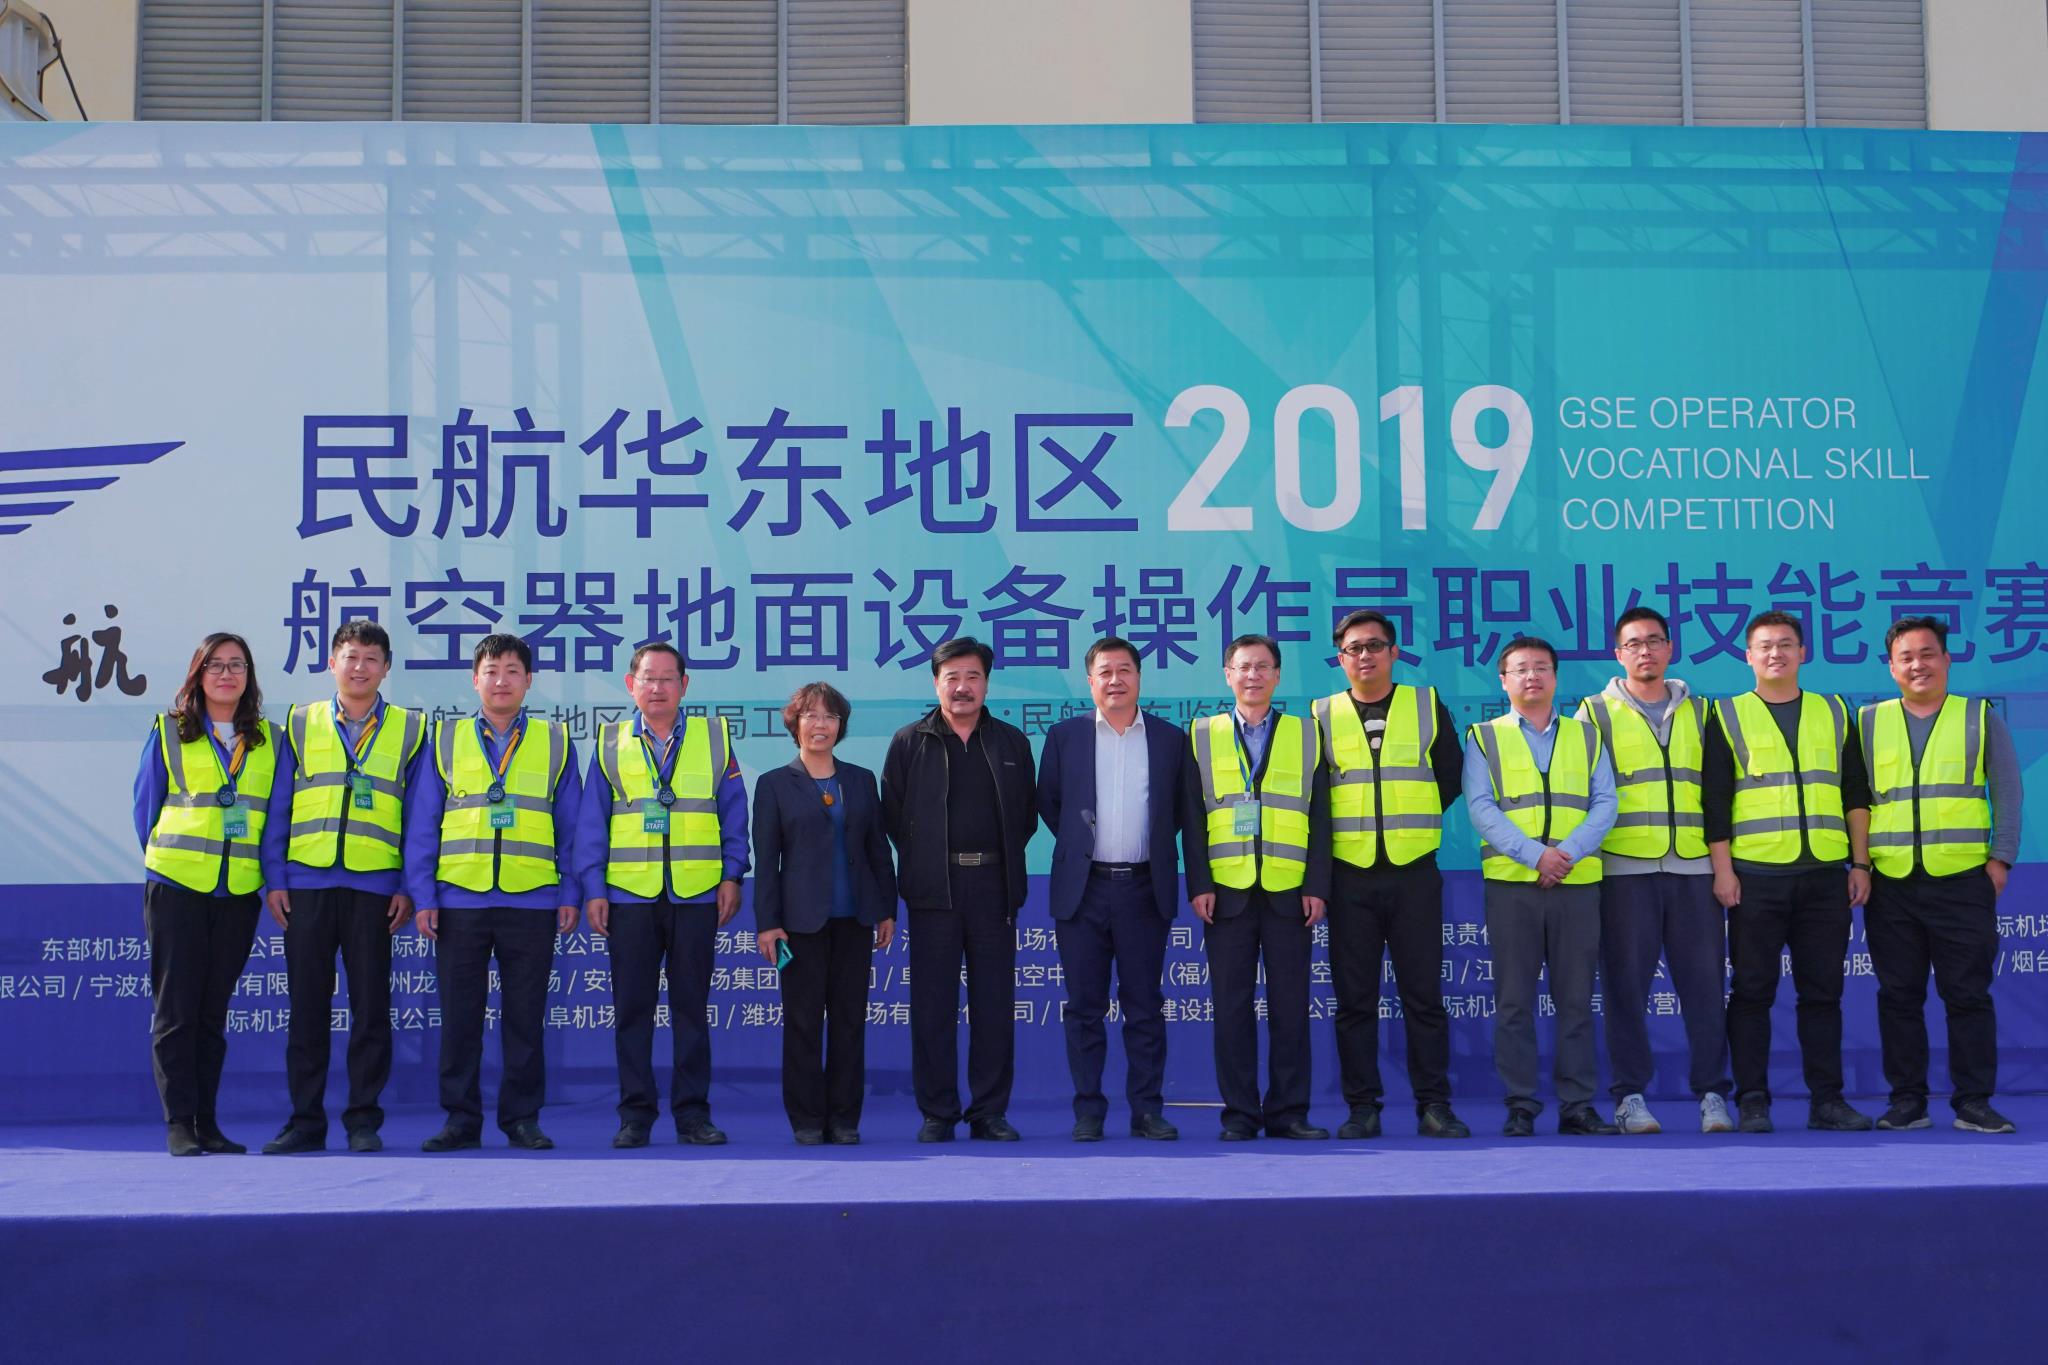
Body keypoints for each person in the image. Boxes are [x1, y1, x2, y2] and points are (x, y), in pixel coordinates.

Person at [404, 634, 580, 1152]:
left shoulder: (555, 740)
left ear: (529, 680)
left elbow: (572, 826)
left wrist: (570, 891)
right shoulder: (445, 738)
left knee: (525, 1019)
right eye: (491, 670)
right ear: (474, 679)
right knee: (460, 1018)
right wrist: (424, 895)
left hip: (532, 899)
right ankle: (460, 1119)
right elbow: (422, 824)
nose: (501, 680)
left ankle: (521, 1118)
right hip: (460, 900)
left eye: (512, 670)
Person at [257, 620, 427, 1154]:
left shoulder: (411, 729)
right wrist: (276, 877)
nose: (360, 667)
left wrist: (407, 885)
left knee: (371, 1009)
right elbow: (278, 806)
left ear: (386, 668)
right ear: (332, 663)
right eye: (350, 657)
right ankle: (305, 1121)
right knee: (307, 1008)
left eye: (371, 659)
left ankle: (363, 1121)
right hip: (306, 885)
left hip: (376, 890)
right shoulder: (300, 723)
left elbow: (419, 817)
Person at [1705, 610, 1874, 1134]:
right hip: (1755, 877)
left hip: (1824, 875)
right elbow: (1715, 802)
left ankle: (1827, 1101)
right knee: (1752, 993)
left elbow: (1855, 793)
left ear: (1803, 652)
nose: (1775, 653)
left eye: (1785, 644)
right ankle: (1753, 1101)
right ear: (1747, 656)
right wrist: (1723, 872)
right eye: (1764, 646)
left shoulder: (1834, 710)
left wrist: (1860, 862)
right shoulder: (1726, 714)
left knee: (1822, 995)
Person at [575, 642, 750, 1148]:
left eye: (667, 678)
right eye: (647, 678)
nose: (657, 687)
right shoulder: (610, 742)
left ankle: (693, 1115)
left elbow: (733, 813)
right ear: (631, 685)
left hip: (696, 894)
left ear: (684, 685)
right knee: (632, 1010)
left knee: (692, 1010)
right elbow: (592, 822)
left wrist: (732, 875)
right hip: (629, 896)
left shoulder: (714, 738)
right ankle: (635, 1116)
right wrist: (594, 887)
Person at [1574, 607, 1734, 1136]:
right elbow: (1584, 794)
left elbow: (1718, 795)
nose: (1645, 651)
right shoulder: (1594, 713)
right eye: (1634, 644)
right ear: (1618, 655)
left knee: (1705, 988)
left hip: (1694, 870)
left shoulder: (1703, 711)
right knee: (1625, 990)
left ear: (1670, 648)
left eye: (1654, 641)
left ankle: (1713, 1095)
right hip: (1624, 873)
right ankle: (1630, 1097)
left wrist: (1721, 868)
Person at [1861, 616, 2024, 1135]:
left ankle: (1973, 1102)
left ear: (1947, 660)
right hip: (1890, 882)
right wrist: (1859, 865)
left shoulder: (1978, 717)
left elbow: (2008, 791)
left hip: (1962, 879)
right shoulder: (1868, 722)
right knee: (1898, 996)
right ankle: (1907, 1101)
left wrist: (2000, 858)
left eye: (1928, 654)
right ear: (1891, 667)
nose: (1918, 665)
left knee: (1968, 995)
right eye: (1906, 657)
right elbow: (1855, 802)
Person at [1310, 610, 1470, 1140]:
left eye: (1375, 646)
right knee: (1354, 1001)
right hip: (1349, 875)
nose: (1365, 656)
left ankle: (1434, 1105)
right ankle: (1362, 1107)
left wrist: (1407, 820)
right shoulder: (1321, 715)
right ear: (1340, 658)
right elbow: (1315, 796)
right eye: (1353, 648)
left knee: (1423, 997)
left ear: (1394, 652)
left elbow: (1451, 776)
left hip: (1413, 872)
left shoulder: (1425, 704)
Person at [1036, 637, 1200, 1142]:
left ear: (1139, 678)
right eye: (1104, 672)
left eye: (1124, 670)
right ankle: (1088, 1111)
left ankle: (1147, 1109)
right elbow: (1051, 804)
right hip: (1083, 891)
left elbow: (1179, 812)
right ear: (1090, 681)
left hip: (1144, 889)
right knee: (1083, 1006)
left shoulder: (1170, 739)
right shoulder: (1065, 736)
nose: (1115, 680)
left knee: (1144, 1004)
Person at [881, 637, 1037, 1142]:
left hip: (994, 887)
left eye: (973, 677)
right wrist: (926, 861)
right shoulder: (910, 742)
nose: (962, 687)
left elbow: (1026, 819)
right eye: (952, 677)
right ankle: (938, 1112)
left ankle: (989, 1112)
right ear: (936, 684)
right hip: (934, 890)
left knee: (994, 1004)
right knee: (932, 1006)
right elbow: (893, 816)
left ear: (987, 683)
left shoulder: (1011, 743)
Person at [1464, 635, 1619, 1137]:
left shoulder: (1587, 735)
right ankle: (1521, 1104)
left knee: (1576, 1000)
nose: (1531, 676)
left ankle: (1577, 1105)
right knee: (1514, 1002)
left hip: (1576, 884)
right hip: (1513, 886)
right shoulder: (1484, 736)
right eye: (1520, 669)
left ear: (1555, 677)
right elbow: (1480, 808)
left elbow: (1606, 802)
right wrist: (1536, 857)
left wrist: (1565, 855)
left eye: (1541, 668)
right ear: (1503, 680)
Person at [134, 632, 281, 1157]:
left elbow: (275, 815)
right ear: (197, 675)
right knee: (176, 1010)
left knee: (213, 1013)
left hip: (237, 891)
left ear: (249, 676)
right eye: (215, 665)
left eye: (237, 665)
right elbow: (146, 809)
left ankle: (208, 1122)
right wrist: (171, 864)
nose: (226, 674)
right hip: (178, 887)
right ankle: (179, 1123)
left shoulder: (268, 739)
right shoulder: (170, 730)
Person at [1183, 633, 1331, 1141]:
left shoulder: (1306, 733)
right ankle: (1241, 1114)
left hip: (1290, 892)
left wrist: (1317, 884)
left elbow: (1322, 815)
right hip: (1226, 893)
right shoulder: (1201, 734)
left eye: (1263, 666)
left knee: (1291, 1008)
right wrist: (1199, 883)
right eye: (1243, 667)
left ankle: (1289, 1112)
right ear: (1228, 675)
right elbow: (1191, 817)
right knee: (1231, 1009)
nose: (1253, 675)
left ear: (1277, 675)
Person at [752, 682, 897, 1145]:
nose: (821, 725)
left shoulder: (860, 780)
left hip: (855, 919)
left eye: (830, 716)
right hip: (799, 925)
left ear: (841, 726)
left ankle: (844, 1118)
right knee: (803, 1022)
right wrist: (768, 923)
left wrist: (886, 909)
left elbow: (878, 850)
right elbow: (767, 861)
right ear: (795, 724)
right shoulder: (774, 784)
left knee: (850, 1021)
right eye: (811, 715)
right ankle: (807, 1119)